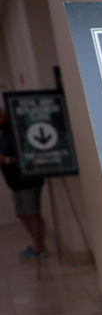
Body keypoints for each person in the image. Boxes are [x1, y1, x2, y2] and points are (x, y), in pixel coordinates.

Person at [0, 110, 47, 260]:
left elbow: (28, 155)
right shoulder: (4, 134)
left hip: (28, 181)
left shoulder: (19, 132)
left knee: (33, 213)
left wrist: (7, 160)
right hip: (15, 183)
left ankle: (40, 247)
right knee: (22, 213)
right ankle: (36, 244)